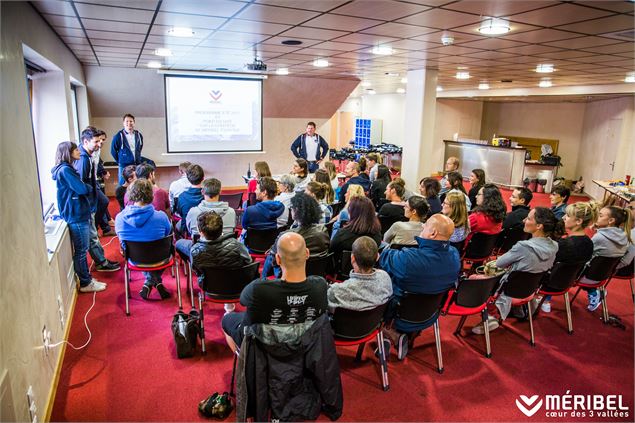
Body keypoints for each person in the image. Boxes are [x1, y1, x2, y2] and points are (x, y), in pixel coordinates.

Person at [221, 232, 328, 352]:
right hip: (304, 345)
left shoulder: (259, 289)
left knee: (227, 319)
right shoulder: (321, 286)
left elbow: (242, 300)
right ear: (307, 254)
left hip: (263, 346)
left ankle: (245, 359)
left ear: (277, 258)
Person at [379, 214, 461, 359]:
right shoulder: (455, 256)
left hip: (398, 313)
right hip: (429, 314)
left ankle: (389, 331)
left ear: (433, 233)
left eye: (426, 224)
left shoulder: (408, 259)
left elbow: (383, 257)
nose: (422, 226)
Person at [473, 207, 559, 334]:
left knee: (474, 278)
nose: (524, 220)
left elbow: (500, 264)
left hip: (508, 291)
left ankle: (492, 314)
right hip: (529, 291)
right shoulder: (554, 246)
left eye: (528, 218)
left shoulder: (524, 247)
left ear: (539, 226)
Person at [51, 141, 107, 293]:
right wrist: (89, 187)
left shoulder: (68, 169)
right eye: (75, 149)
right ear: (67, 153)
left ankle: (86, 278)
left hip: (79, 211)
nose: (78, 151)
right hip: (76, 214)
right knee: (82, 250)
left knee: (84, 247)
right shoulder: (65, 171)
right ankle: (85, 282)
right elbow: (82, 188)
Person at [115, 179, 173, 300]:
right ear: (151, 195)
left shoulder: (120, 218)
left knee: (145, 251)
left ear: (130, 195)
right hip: (161, 258)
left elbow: (121, 240)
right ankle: (155, 281)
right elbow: (168, 235)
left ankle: (149, 282)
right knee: (162, 248)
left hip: (134, 259)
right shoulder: (161, 216)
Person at [74, 128, 120, 272]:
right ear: (85, 141)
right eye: (96, 142)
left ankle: (102, 260)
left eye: (100, 141)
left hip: (90, 201)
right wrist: (91, 204)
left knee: (93, 234)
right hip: (86, 205)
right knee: (92, 236)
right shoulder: (83, 159)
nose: (99, 144)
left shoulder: (88, 156)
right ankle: (101, 263)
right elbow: (81, 185)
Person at [539, 202, 596, 313]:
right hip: (567, 283)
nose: (564, 217)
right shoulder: (589, 243)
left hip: (548, 283)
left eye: (568, 216)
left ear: (578, 222)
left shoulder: (563, 245)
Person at [190, 211, 252, 314]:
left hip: (210, 286)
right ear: (222, 228)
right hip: (237, 284)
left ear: (200, 232)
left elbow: (196, 270)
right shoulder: (236, 244)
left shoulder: (195, 250)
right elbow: (248, 261)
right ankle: (229, 307)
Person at [261, 192, 330, 278]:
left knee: (271, 256)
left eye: (291, 208)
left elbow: (274, 261)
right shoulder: (323, 231)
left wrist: (272, 251)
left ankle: (262, 280)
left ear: (296, 210)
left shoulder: (285, 237)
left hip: (288, 279)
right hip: (316, 278)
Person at [583, 205, 632, 311]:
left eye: (600, 216)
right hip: (604, 276)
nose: (597, 217)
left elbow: (584, 257)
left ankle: (546, 300)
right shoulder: (625, 237)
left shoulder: (600, 237)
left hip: (588, 277)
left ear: (611, 220)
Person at [327, 236, 393, 313]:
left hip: (344, 324)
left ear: (352, 258)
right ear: (377, 257)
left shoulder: (336, 291)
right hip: (373, 324)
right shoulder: (385, 278)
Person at [330, 196, 382, 269]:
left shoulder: (342, 235)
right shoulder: (377, 233)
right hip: (369, 271)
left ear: (352, 212)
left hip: (341, 272)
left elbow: (331, 251)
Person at [111, 113, 144, 185]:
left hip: (136, 164)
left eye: (131, 121)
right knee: (122, 184)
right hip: (124, 165)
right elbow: (113, 151)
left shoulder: (138, 135)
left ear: (134, 123)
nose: (129, 123)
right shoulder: (118, 136)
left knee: (137, 184)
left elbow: (139, 148)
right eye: (127, 121)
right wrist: (121, 160)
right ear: (123, 123)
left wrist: (137, 157)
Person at [175, 164, 204, 232]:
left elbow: (180, 213)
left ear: (188, 179)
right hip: (206, 230)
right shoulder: (208, 196)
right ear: (203, 178)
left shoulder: (182, 196)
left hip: (187, 230)